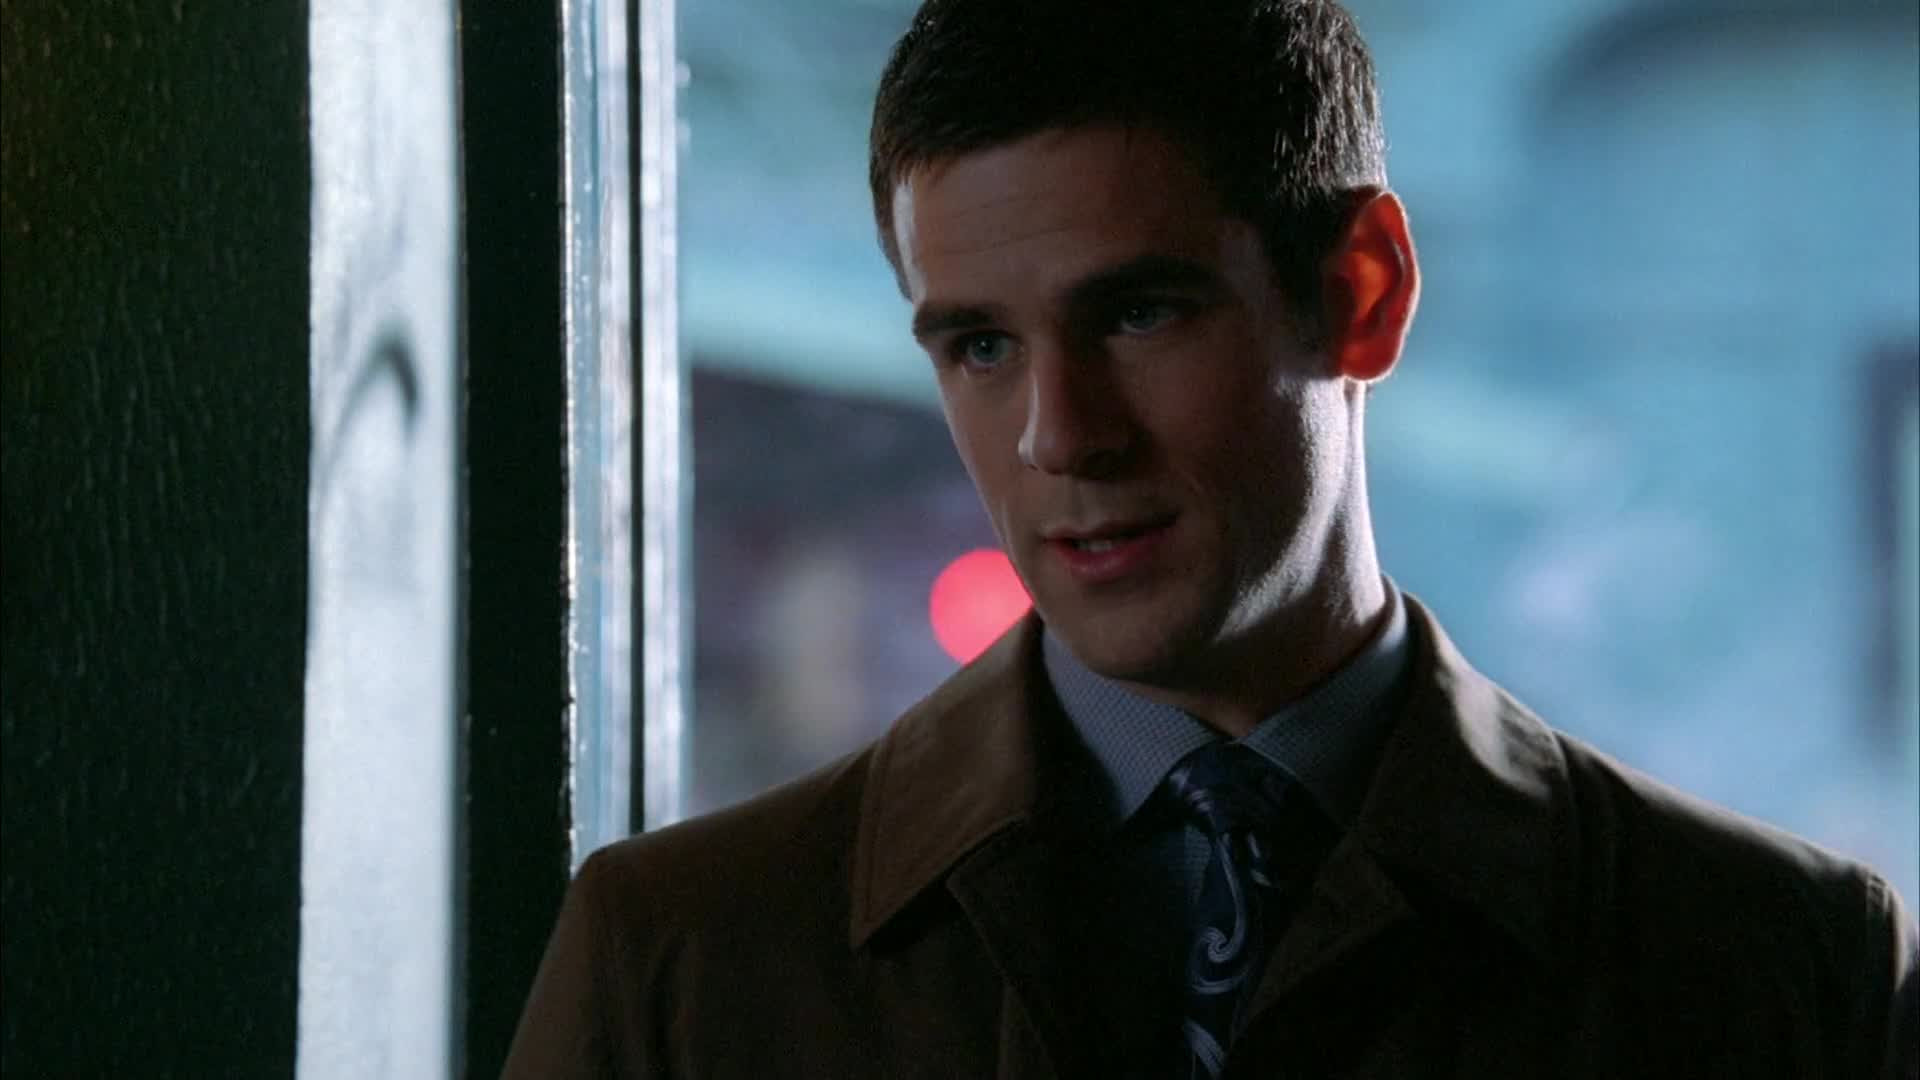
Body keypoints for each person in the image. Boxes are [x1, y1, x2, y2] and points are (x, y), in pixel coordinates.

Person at [504, 1, 1918, 1075]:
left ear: (1361, 292)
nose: (1061, 435)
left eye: (1139, 314)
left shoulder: (1779, 966)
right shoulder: (683, 960)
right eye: (981, 345)